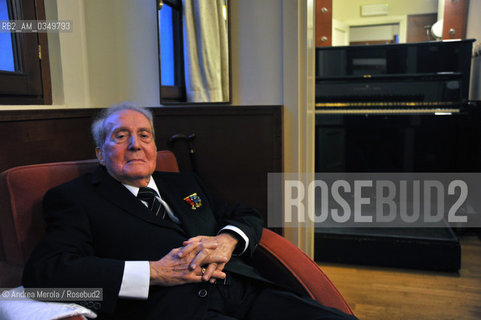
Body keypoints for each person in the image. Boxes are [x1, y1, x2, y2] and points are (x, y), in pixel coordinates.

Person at [22, 103, 357, 320]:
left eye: (144, 135)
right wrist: (154, 272)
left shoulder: (185, 184)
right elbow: (45, 274)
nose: (135, 144)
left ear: (154, 147)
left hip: (246, 292)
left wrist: (227, 240)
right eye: (120, 136)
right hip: (174, 309)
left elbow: (245, 214)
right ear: (100, 153)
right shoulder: (74, 198)